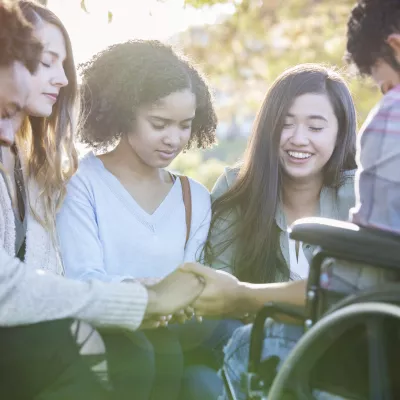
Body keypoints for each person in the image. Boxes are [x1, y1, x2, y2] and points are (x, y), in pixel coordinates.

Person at [0, 2, 205, 399]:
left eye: (64, 64)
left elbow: (46, 278)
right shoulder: (82, 183)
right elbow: (11, 288)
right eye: (46, 62)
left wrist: (146, 293)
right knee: (92, 350)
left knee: (138, 350)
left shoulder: (36, 170)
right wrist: (142, 299)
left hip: (24, 330)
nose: (61, 78)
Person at [56, 39, 233, 399]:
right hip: (106, 329)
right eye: (159, 123)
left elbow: (191, 282)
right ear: (123, 113)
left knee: (222, 337)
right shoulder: (80, 183)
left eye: (184, 125)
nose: (173, 139)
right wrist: (150, 294)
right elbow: (83, 276)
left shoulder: (193, 197)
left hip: (174, 330)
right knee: (153, 352)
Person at [180, 64, 358, 399]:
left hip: (343, 361)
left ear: (339, 132)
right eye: (285, 123)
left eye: (316, 126)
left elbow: (347, 296)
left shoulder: (358, 197)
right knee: (197, 379)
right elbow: (220, 291)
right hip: (256, 356)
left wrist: (249, 297)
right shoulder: (237, 191)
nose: (298, 138)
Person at [346, 0, 400, 235]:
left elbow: (376, 241)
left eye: (386, 85)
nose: (388, 93)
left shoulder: (392, 113)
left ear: (397, 46)